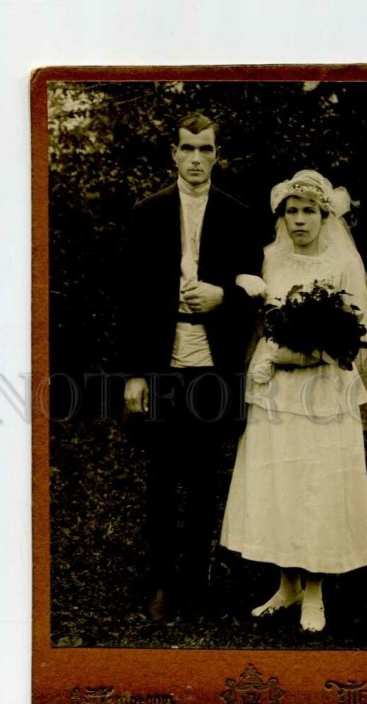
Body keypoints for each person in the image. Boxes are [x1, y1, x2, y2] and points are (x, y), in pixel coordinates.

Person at [221, 170, 367, 633]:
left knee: (318, 484)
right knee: (282, 481)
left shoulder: (342, 263)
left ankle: (314, 591)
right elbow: (262, 322)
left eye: (308, 211)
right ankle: (286, 585)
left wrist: (307, 353)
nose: (299, 220)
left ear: (324, 216)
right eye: (291, 211)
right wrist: (272, 355)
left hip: (324, 391)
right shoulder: (271, 258)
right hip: (277, 392)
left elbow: (354, 336)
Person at [122, 112, 265, 621]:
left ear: (217, 155)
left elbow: (256, 293)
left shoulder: (238, 215)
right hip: (163, 362)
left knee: (205, 479)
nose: (197, 159)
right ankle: (161, 583)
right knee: (161, 477)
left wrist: (222, 295)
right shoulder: (148, 212)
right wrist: (134, 373)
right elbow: (131, 298)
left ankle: (194, 582)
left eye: (206, 149)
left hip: (214, 366)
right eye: (188, 148)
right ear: (174, 154)